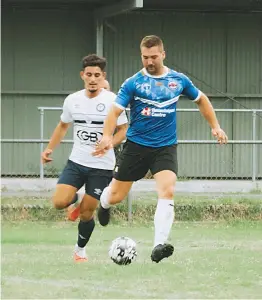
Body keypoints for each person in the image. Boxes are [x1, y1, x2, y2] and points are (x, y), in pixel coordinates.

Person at [93, 35, 228, 263]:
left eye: (154, 57)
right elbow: (114, 112)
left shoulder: (178, 80)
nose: (149, 62)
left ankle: (159, 245)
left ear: (163, 54)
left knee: (167, 190)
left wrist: (215, 126)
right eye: (145, 57)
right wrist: (107, 136)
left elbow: (202, 100)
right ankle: (104, 203)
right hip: (136, 147)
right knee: (116, 196)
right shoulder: (133, 83)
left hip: (165, 147)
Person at [41, 54, 128, 262]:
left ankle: (79, 251)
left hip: (102, 167)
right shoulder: (73, 100)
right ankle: (74, 198)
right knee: (59, 202)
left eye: (97, 75)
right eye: (88, 74)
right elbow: (63, 126)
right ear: (82, 75)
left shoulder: (113, 101)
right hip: (77, 162)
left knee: (87, 213)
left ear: (103, 76)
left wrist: (110, 143)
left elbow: (124, 129)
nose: (92, 79)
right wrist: (49, 149)